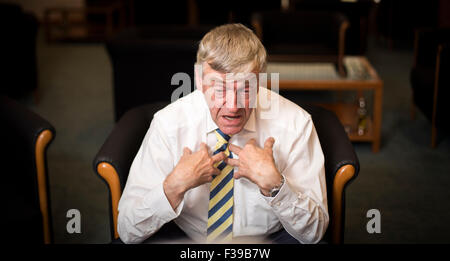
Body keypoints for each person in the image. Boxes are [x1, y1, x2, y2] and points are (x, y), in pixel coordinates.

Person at [117, 23, 329, 244]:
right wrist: (174, 186)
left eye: (245, 89)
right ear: (199, 81)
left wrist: (275, 186)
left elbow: (314, 233)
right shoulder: (169, 124)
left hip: (269, 241)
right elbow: (127, 231)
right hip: (187, 240)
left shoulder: (296, 124)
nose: (232, 106)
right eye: (219, 89)